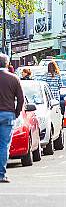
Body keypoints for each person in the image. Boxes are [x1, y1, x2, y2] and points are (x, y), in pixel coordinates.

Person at [0, 53, 24, 183]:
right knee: (3, 145)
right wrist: (16, 113)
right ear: (7, 64)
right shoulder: (13, 78)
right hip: (8, 114)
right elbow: (21, 99)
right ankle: (1, 174)